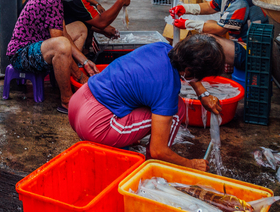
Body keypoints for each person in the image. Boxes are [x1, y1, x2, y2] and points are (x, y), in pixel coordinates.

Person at [68, 34, 225, 171]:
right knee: (177, 109)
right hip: (96, 125)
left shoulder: (162, 48)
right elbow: (158, 150)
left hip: (78, 102)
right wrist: (190, 164)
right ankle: (155, 164)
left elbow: (187, 68)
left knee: (146, 97)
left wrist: (202, 93)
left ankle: (124, 136)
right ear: (191, 71)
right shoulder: (167, 86)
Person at [6, 0, 99, 114]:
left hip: (37, 47)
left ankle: (66, 77)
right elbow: (61, 41)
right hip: (20, 55)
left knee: (80, 28)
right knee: (62, 45)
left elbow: (65, 33)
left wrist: (85, 62)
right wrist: (80, 76)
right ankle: (66, 100)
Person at [169, 0, 268, 71]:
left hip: (252, 54)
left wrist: (187, 24)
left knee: (208, 41)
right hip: (240, 45)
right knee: (209, 24)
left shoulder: (243, 1)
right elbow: (210, 6)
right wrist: (185, 8)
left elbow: (220, 29)